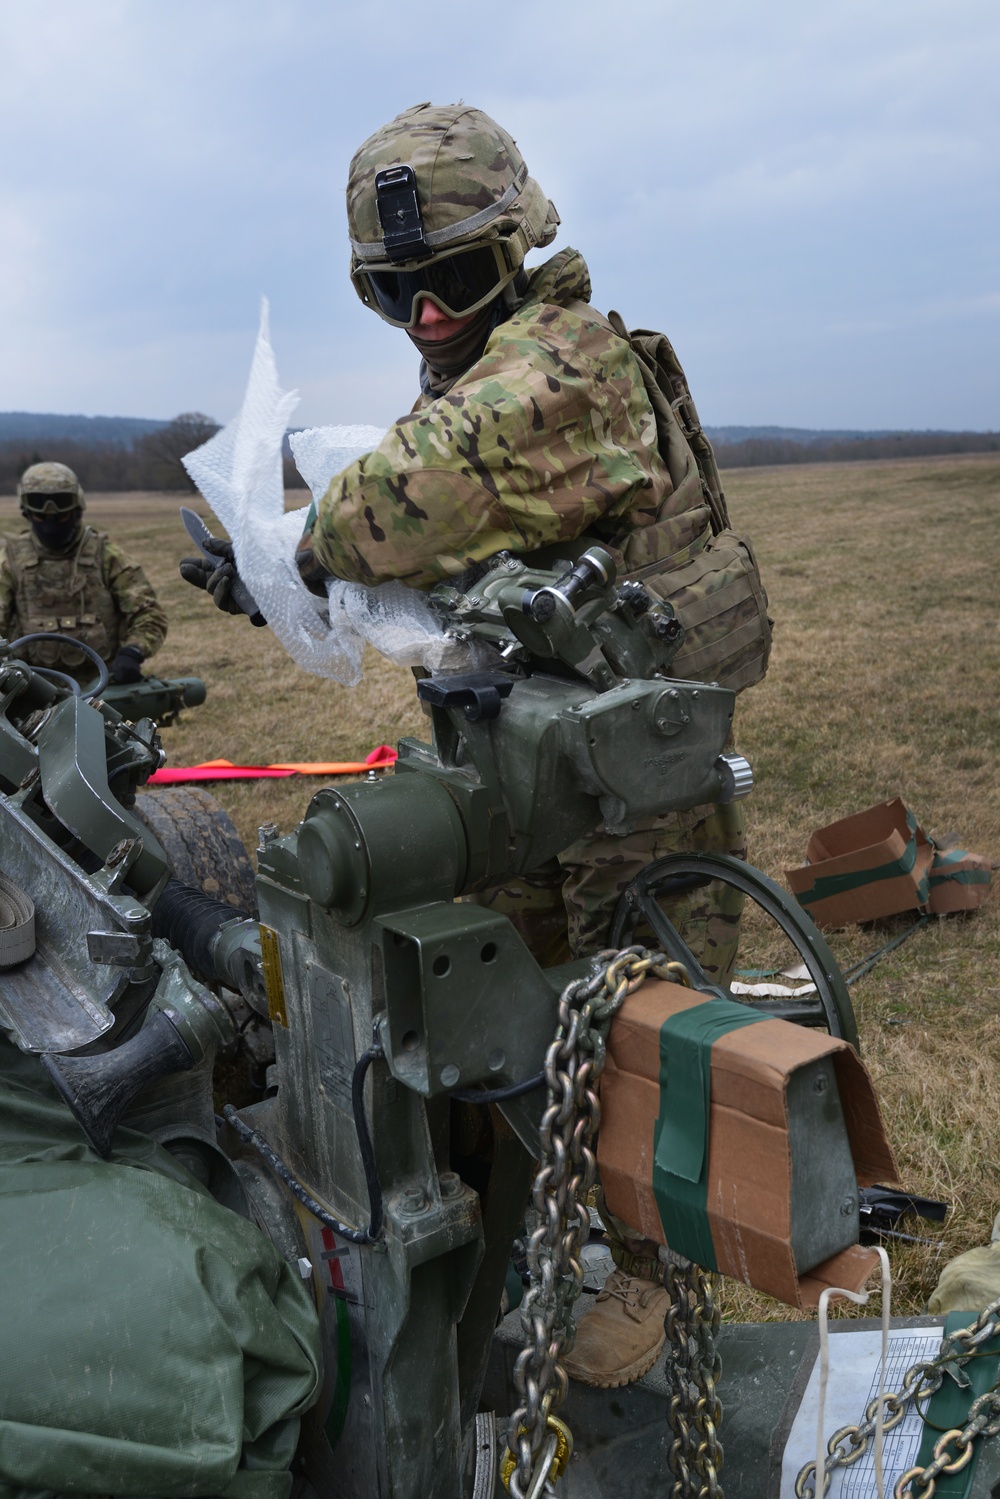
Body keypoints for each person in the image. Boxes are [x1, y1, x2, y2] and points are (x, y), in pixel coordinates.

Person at [183, 102, 772, 1388]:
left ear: (515, 242)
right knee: (497, 1009)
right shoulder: (477, 367)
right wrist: (280, 581)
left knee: (639, 1014)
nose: (426, 315)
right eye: (392, 292)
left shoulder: (566, 362)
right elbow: (439, 561)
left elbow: (401, 503)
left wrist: (290, 545)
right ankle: (510, 1234)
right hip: (522, 761)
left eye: (448, 277)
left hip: (634, 781)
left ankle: (645, 1272)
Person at [1, 461, 167, 685]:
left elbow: (149, 614)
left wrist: (133, 652)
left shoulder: (106, 556)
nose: (51, 518)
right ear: (27, 511)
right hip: (32, 688)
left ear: (76, 507)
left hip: (102, 687)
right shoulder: (10, 561)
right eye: (40, 509)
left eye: (61, 510)